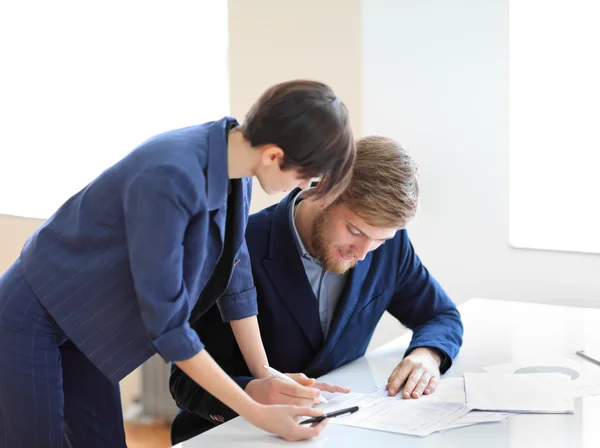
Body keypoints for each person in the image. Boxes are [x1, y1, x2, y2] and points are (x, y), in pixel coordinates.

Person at [0, 80, 356, 447]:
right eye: (304, 178)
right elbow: (168, 327)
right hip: (33, 316)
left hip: (86, 325)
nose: (301, 187)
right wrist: (255, 408)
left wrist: (263, 373)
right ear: (273, 156)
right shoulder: (169, 176)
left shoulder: (237, 161)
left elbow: (235, 268)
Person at [169, 135, 464, 444]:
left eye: (381, 239)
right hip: (233, 436)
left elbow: (441, 315)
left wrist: (427, 355)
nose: (363, 253)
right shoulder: (239, 246)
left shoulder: (388, 249)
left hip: (330, 435)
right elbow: (183, 383)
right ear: (320, 192)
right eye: (354, 231)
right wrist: (250, 392)